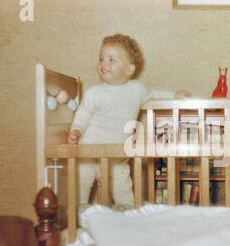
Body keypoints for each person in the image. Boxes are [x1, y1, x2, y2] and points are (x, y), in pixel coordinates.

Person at [68, 34, 190, 211]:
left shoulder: (136, 89)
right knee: (81, 188)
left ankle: (127, 220)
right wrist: (76, 130)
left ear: (129, 69)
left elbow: (155, 94)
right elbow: (82, 114)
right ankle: (80, 220)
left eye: (112, 60)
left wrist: (174, 95)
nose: (104, 64)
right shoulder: (95, 92)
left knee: (124, 192)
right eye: (101, 59)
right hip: (89, 151)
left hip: (118, 155)